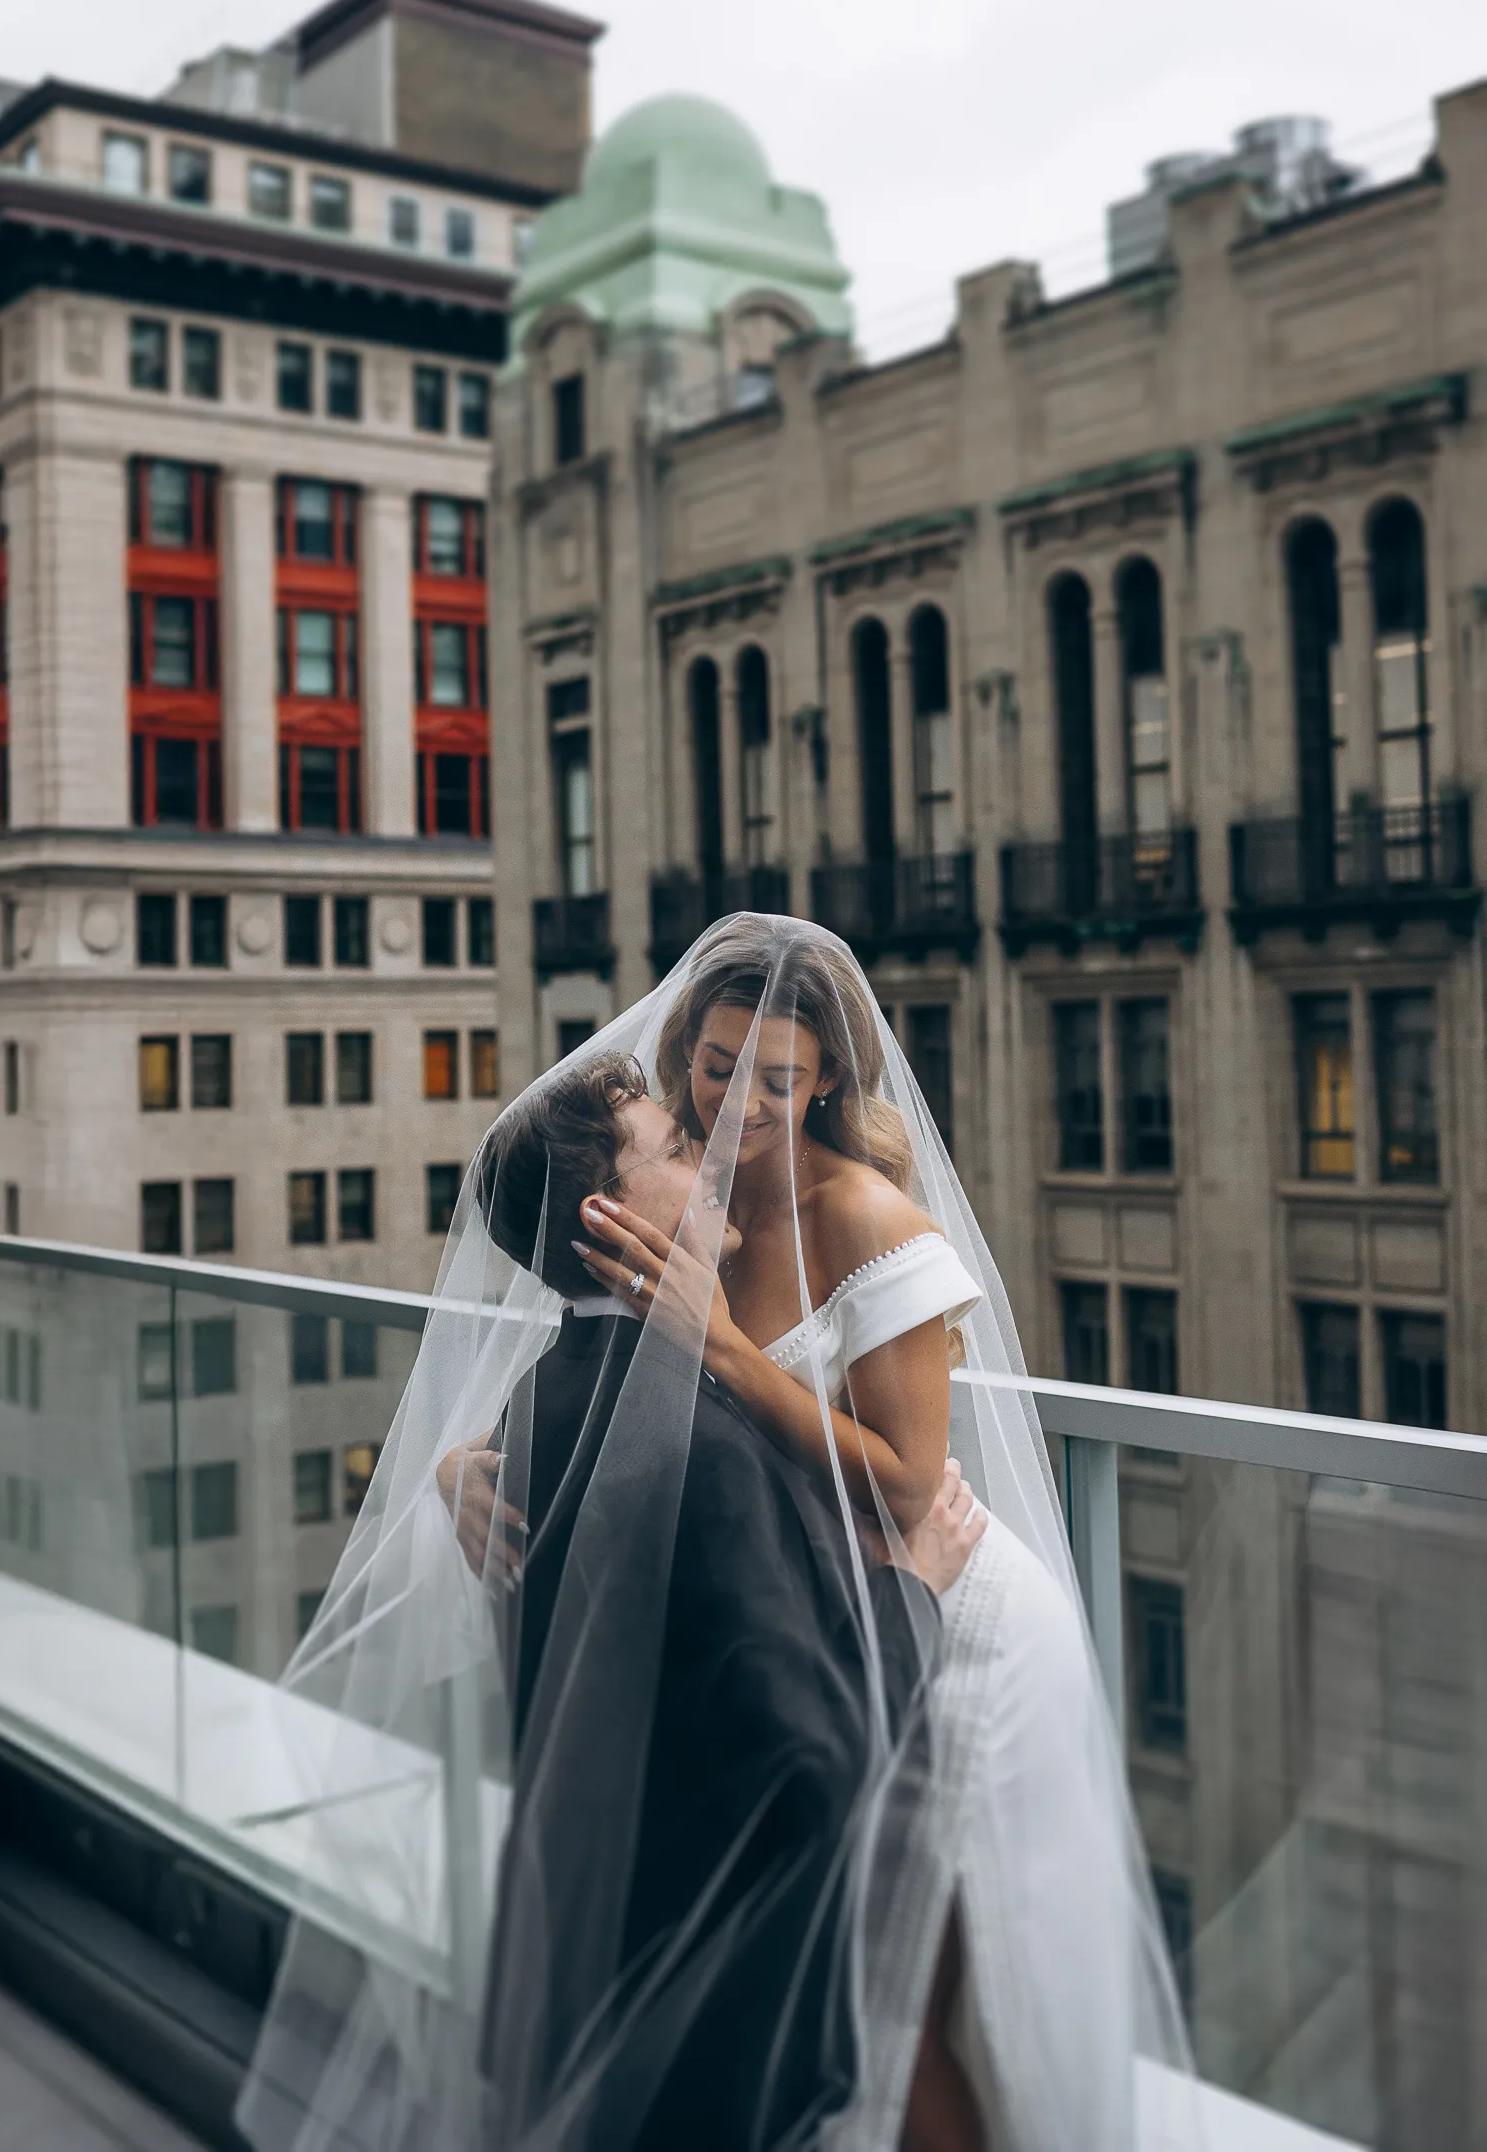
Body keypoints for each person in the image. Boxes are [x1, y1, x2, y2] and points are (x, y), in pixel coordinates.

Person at [238, 913, 1199, 2152]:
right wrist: (456, 1464)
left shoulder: (864, 1218)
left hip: (942, 1608)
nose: (742, 1104)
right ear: (683, 1051)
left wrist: (730, 1351)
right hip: (808, 1613)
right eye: (716, 1069)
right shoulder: (673, 1194)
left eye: (781, 1080)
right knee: (857, 1994)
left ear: (831, 1082)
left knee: (929, 1994)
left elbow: (909, 1487)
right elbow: (608, 1366)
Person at [442, 1050, 986, 2152]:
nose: (713, 1161)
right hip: (720, 2011)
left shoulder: (540, 1402)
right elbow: (818, 1768)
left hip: (601, 1950)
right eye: (680, 1150)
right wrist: (913, 1593)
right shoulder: (701, 1442)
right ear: (611, 1216)